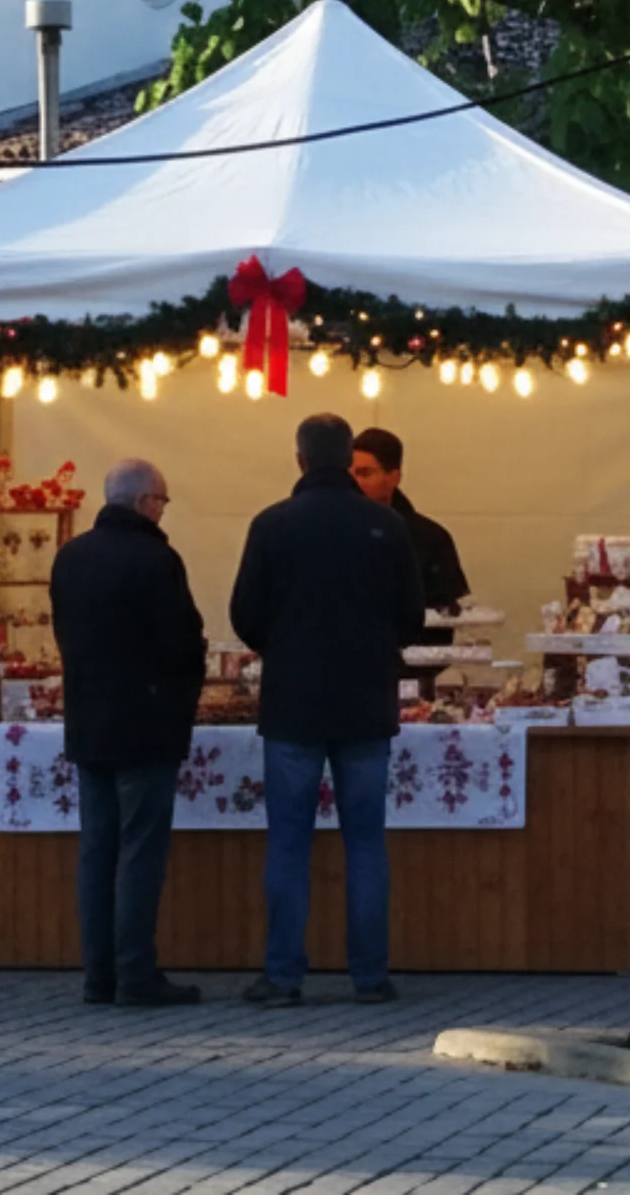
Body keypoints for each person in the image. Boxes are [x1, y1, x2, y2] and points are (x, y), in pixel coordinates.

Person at [230, 415, 424, 1007]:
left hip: (293, 703)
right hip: (366, 701)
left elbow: (245, 614)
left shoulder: (272, 525)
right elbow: (412, 617)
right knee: (365, 841)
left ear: (299, 460)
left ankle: (284, 975)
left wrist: (283, 647)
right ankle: (369, 976)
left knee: (289, 842)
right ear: (347, 461)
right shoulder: (386, 526)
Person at [50, 458, 207, 1007]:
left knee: (97, 849)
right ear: (144, 502)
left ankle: (99, 974)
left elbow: (64, 634)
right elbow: (183, 644)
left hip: (89, 721)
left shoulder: (71, 558)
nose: (164, 510)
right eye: (163, 501)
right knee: (140, 849)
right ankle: (136, 971)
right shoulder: (157, 560)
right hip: (146, 723)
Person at [349, 428, 469, 615]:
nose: (354, 483)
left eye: (365, 473)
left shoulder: (431, 538)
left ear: (393, 478)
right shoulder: (334, 531)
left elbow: (447, 614)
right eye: (349, 474)